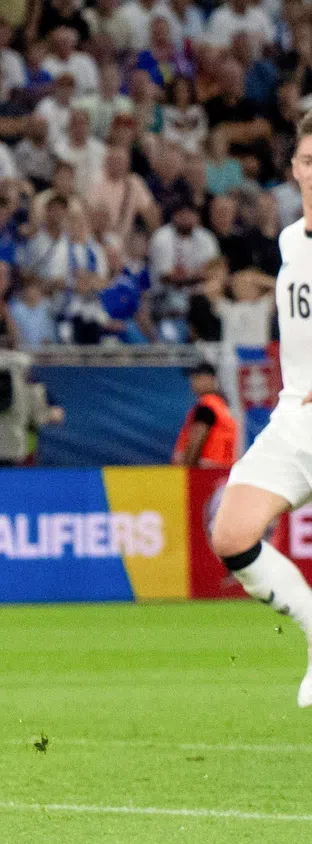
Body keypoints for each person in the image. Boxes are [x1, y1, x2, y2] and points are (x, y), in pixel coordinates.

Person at [207, 114, 312, 706]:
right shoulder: (290, 241)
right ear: (295, 169)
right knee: (232, 534)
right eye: (308, 161)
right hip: (295, 419)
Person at [175, 362, 238, 469]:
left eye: (197, 378)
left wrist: (187, 470)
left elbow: (197, 440)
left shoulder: (206, 406)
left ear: (210, 379)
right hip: (221, 470)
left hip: (204, 470)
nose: (193, 383)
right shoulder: (221, 405)